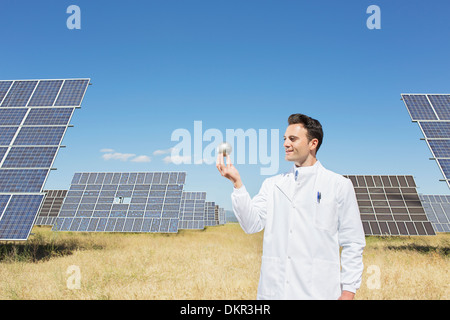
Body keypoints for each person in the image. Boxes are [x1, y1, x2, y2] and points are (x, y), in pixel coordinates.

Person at [216, 113, 365, 300]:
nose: (286, 143)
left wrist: (348, 291)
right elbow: (251, 224)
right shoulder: (273, 185)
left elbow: (353, 242)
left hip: (320, 293)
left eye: (292, 139)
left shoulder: (339, 185)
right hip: (275, 292)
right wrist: (237, 184)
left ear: (313, 143)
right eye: (284, 139)